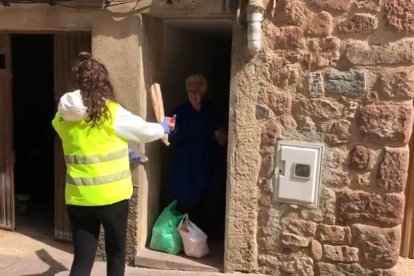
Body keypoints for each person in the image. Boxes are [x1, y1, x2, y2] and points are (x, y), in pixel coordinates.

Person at [52, 51, 175, 276]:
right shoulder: (112, 113)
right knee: (116, 257)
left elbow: (88, 144)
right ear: (103, 82)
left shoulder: (61, 119)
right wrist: (163, 128)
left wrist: (122, 150)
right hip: (113, 198)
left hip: (79, 198)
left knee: (81, 261)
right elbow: (144, 132)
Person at [167, 73, 227, 240]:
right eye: (191, 90)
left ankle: (205, 239)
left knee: (208, 199)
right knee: (185, 199)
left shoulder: (212, 110)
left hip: (208, 161)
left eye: (197, 90)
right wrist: (168, 129)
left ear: (203, 92)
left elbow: (223, 137)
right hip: (185, 163)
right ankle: (185, 238)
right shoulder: (179, 112)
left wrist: (220, 135)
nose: (194, 94)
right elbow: (168, 135)